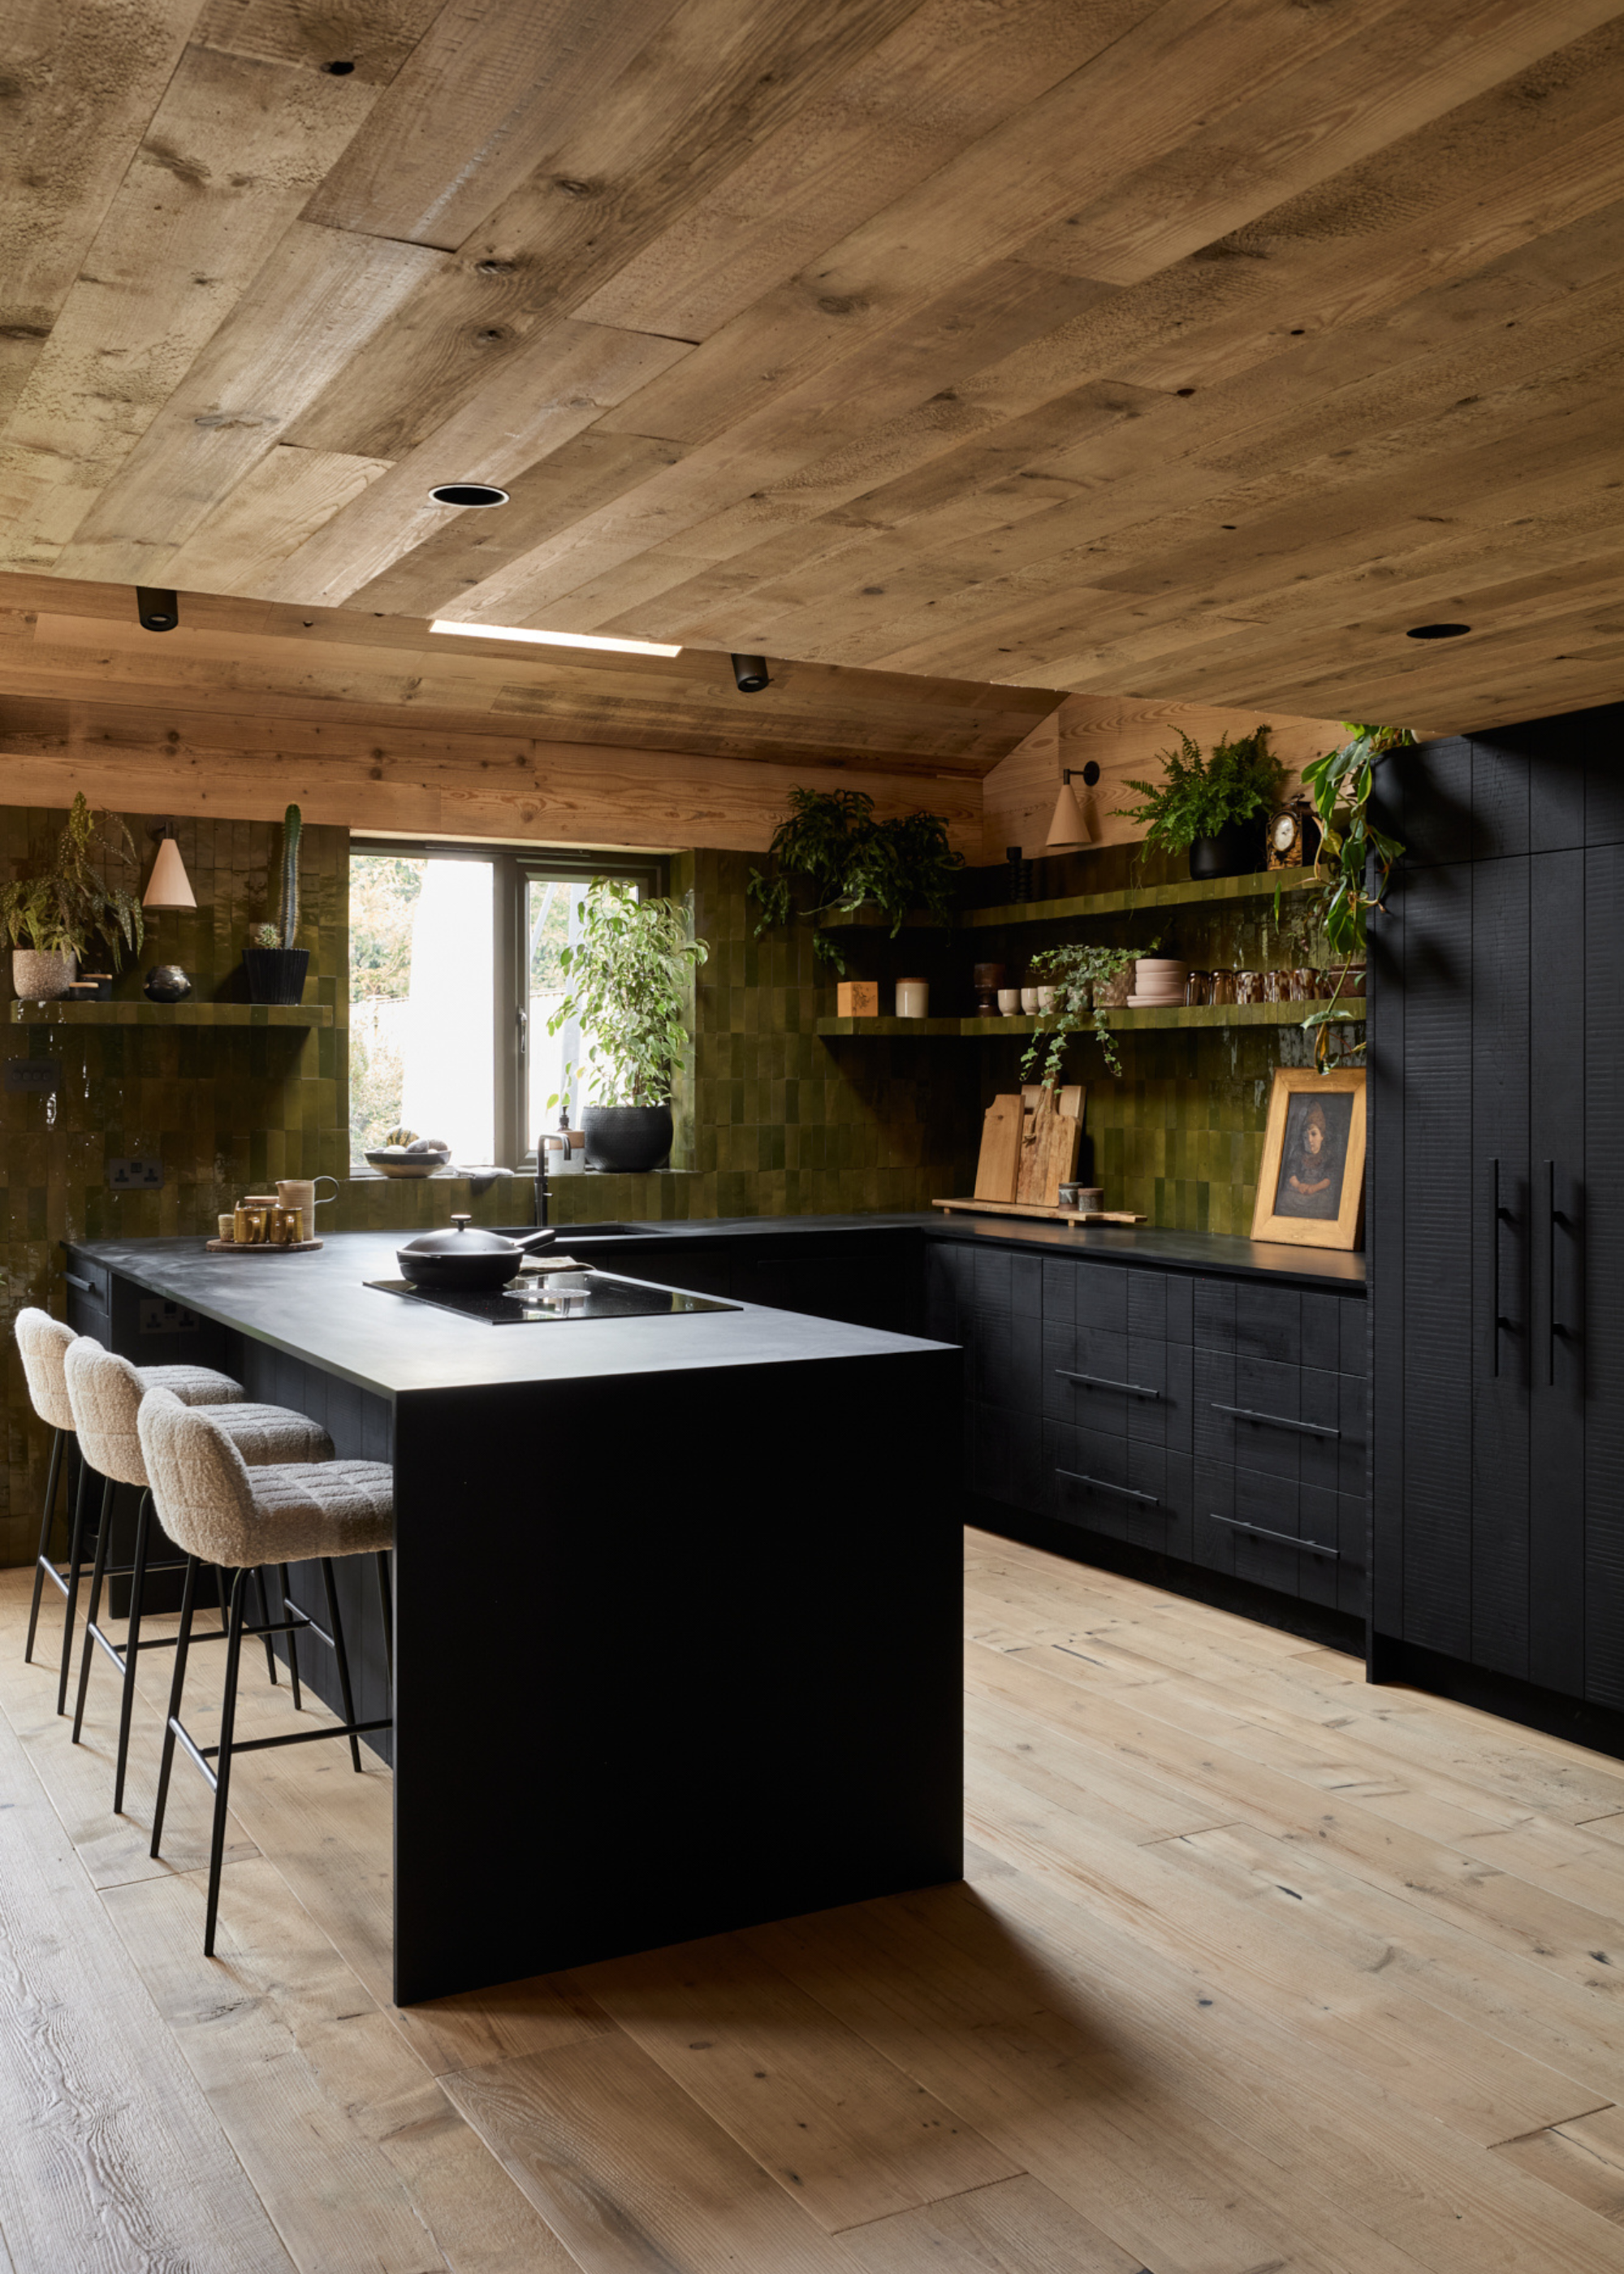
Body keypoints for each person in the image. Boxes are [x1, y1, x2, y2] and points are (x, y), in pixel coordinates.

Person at [1276, 1096, 1342, 1217]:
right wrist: (1298, 1185)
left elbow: (1329, 1178)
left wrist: (1314, 1188)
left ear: (1322, 1135)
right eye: (1306, 1136)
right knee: (1286, 1198)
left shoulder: (1328, 1155)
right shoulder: (1298, 1153)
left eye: (1314, 1134)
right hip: (1299, 1193)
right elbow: (1292, 1172)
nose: (1310, 1140)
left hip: (1318, 1194)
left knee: (1325, 1203)